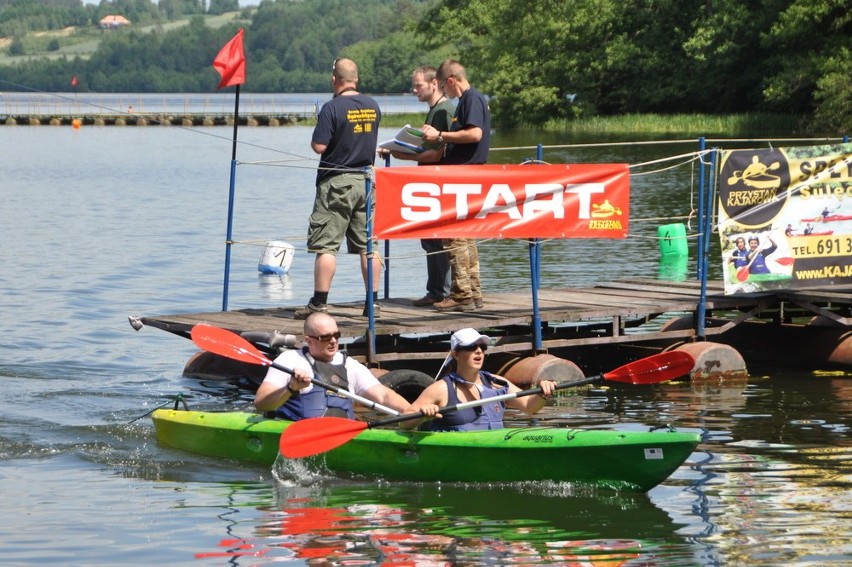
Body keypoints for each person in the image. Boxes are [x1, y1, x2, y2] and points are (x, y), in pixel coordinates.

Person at [295, 57, 382, 320]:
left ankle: (319, 303)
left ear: (335, 79)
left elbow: (319, 146)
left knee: (326, 246)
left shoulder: (333, 107)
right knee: (369, 246)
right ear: (357, 79)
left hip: (336, 183)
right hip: (366, 181)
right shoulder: (373, 106)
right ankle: (373, 303)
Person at [420, 59, 490, 312]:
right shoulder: (470, 101)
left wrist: (440, 135)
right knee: (466, 237)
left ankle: (461, 296)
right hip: (467, 175)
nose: (444, 93)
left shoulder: (471, 99)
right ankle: (473, 292)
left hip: (464, 176)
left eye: (443, 86)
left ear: (450, 81)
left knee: (455, 238)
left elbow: (475, 134)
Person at [383, 65, 454, 308]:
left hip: (439, 182)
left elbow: (436, 154)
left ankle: (441, 292)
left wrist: (401, 155)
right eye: (413, 86)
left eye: (418, 85)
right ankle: (435, 291)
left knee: (437, 238)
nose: (414, 90)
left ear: (434, 84)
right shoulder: (436, 109)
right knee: (429, 238)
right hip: (430, 181)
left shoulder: (443, 110)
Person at [255, 312, 411, 420]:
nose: (333, 341)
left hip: (341, 436)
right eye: (326, 337)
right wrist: (291, 388)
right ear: (309, 340)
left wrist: (411, 411)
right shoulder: (289, 360)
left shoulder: (350, 366)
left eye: (336, 335)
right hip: (298, 435)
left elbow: (383, 396)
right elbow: (261, 403)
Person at [400, 328, 557, 431]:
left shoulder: (496, 382)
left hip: (491, 450)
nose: (478, 352)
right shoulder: (440, 389)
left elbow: (530, 406)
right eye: (470, 347)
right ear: (455, 354)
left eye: (482, 347)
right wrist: (423, 414)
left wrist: (542, 393)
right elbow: (404, 422)